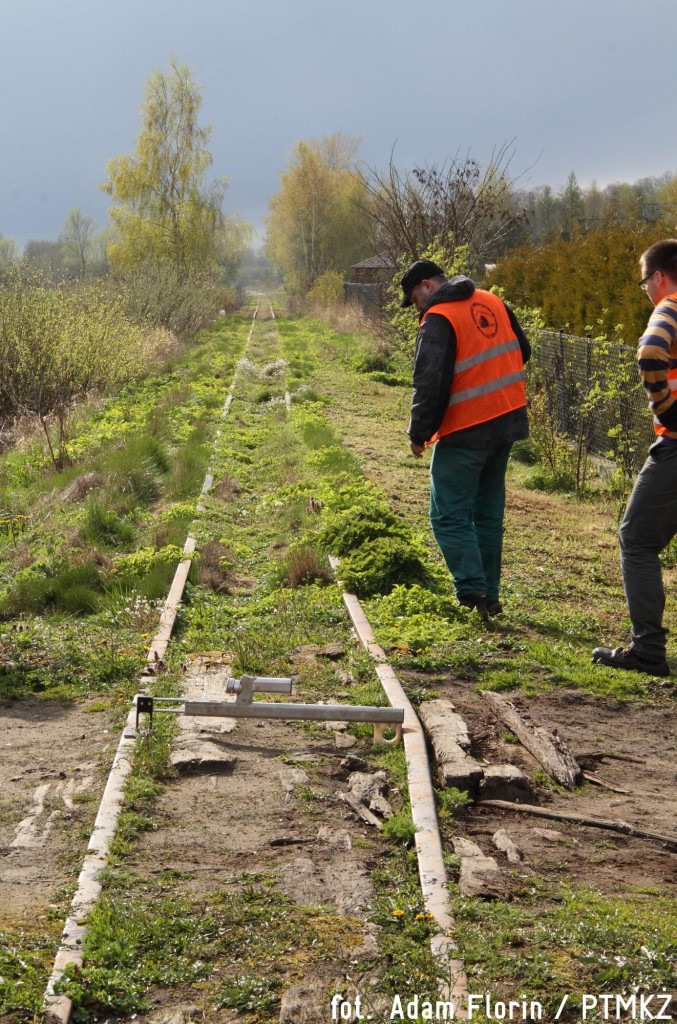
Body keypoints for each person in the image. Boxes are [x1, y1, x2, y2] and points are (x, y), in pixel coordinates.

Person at [401, 259, 531, 620]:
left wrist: (419, 433)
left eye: (414, 298)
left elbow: (430, 381)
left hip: (467, 428)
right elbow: (524, 349)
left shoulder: (439, 317)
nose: (417, 307)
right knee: (487, 515)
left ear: (427, 286)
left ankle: (473, 591)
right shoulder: (492, 300)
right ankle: (490, 595)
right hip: (507, 420)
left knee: (447, 515)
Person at [592, 239, 677, 676]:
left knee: (637, 540)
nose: (646, 290)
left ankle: (647, 649)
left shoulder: (669, 307)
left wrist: (665, 408)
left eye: (645, 281)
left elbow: (649, 354)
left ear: (659, 276)